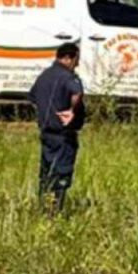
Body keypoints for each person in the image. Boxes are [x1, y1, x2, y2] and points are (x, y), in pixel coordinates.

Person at [28, 42, 85, 214]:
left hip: (46, 134)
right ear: (69, 58)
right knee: (61, 174)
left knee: (46, 175)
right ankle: (55, 213)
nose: (77, 64)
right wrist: (72, 111)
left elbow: (32, 97)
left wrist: (47, 111)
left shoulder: (44, 75)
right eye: (76, 60)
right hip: (63, 135)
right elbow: (77, 92)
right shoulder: (69, 77)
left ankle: (43, 210)